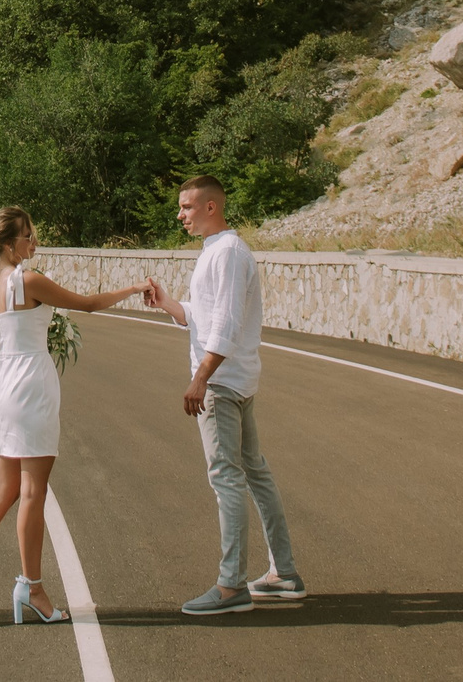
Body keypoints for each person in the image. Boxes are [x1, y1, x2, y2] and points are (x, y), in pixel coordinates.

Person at [0, 206, 152, 624]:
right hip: (32, 387)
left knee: (4, 491)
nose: (35, 242)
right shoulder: (29, 281)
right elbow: (88, 304)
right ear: (10, 244)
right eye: (29, 236)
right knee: (32, 493)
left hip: (4, 386)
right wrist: (133, 288)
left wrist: (13, 343)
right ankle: (32, 589)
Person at [142, 174, 304, 615]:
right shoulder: (216, 250)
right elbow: (206, 315)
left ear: (211, 207)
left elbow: (228, 324)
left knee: (226, 478)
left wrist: (201, 378)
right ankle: (284, 574)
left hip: (222, 384)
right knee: (254, 474)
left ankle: (231, 586)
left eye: (187, 207)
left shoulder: (228, 253)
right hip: (234, 380)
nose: (180, 215)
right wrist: (169, 304)